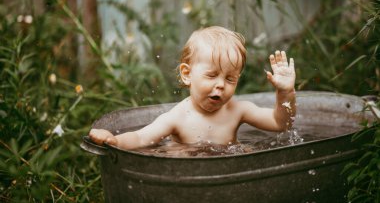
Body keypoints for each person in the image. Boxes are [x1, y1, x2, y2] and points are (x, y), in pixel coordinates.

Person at [89, 26, 296, 150]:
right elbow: (141, 137)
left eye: (230, 79)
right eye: (212, 75)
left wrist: (285, 92)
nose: (221, 85)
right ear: (187, 74)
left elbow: (281, 123)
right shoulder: (178, 118)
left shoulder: (238, 110)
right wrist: (113, 140)